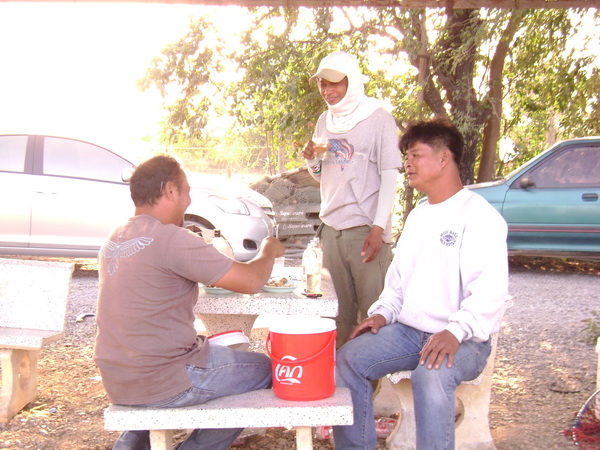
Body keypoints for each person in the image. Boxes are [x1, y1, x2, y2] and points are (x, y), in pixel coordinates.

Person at [333, 119, 509, 449]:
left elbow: (489, 292)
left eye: (415, 155)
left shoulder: (480, 216)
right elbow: (398, 283)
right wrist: (383, 314)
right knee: (348, 360)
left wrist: (454, 332)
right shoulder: (419, 215)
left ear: (444, 158)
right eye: (406, 156)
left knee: (432, 374)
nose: (407, 163)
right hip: (411, 333)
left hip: (464, 340)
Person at [93, 155, 284, 450]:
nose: (190, 200)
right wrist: (269, 249)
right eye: (186, 190)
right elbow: (251, 281)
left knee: (184, 364)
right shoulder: (171, 238)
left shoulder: (114, 238)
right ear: (170, 190)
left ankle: (130, 444)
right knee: (267, 372)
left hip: (117, 376)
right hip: (167, 375)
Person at [302, 50, 402, 347]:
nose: (327, 91)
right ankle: (343, 387)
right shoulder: (325, 120)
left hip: (365, 230)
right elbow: (323, 173)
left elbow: (390, 177)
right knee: (339, 313)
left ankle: (369, 387)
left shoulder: (379, 119)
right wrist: (311, 159)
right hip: (331, 229)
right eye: (322, 84)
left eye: (335, 83)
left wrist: (378, 228)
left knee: (371, 313)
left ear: (353, 82)